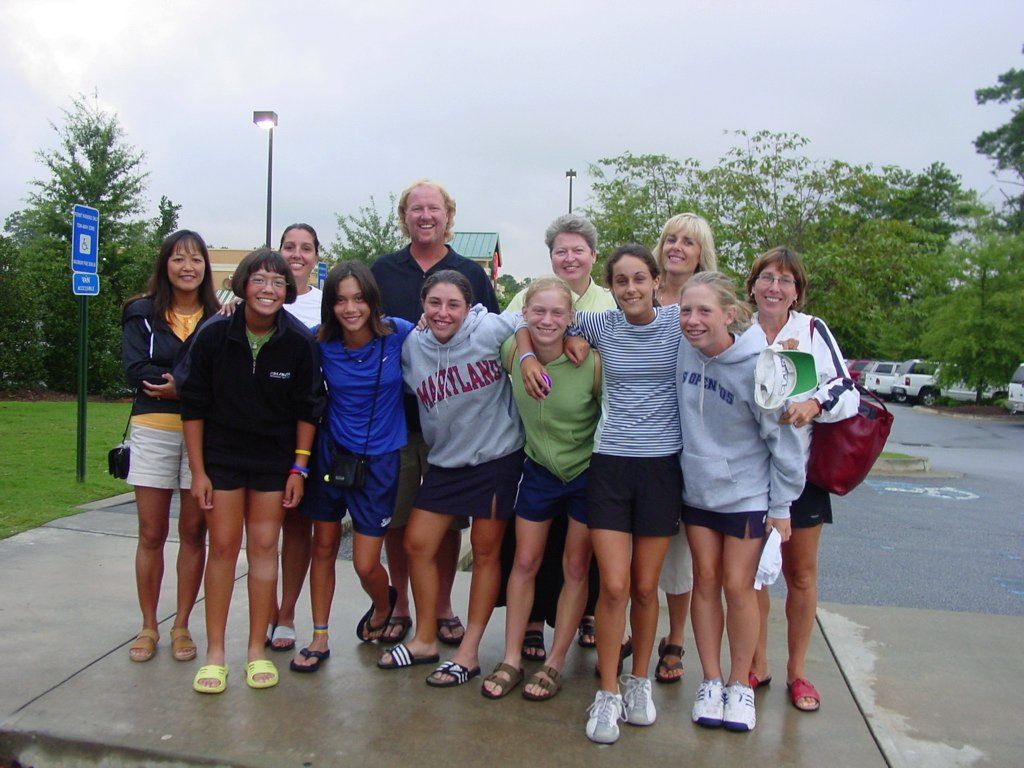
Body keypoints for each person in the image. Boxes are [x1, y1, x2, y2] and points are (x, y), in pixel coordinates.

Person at [520, 245, 683, 745]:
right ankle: (608, 690)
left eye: (639, 278)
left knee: (643, 586)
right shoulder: (601, 326)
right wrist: (527, 354)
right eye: (620, 281)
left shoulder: (680, 322)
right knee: (611, 586)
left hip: (661, 468)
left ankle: (638, 683)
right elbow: (536, 325)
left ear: (656, 281)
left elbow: (725, 331)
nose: (630, 288)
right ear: (609, 288)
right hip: (609, 465)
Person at [181, 249, 324, 694]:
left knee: (264, 549)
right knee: (223, 549)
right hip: (221, 461)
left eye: (278, 283)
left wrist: (299, 469)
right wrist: (198, 472)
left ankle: (256, 651)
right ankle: (216, 653)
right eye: (260, 280)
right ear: (243, 284)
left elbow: (308, 410)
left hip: (273, 463)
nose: (269, 289)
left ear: (289, 290)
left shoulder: (299, 342)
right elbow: (193, 407)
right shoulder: (214, 335)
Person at [377, 270, 522, 688]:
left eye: (453, 304)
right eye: (434, 303)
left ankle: (469, 653)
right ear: (422, 304)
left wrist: (528, 355)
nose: (443, 313)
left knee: (485, 553)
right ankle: (424, 638)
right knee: (417, 543)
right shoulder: (412, 348)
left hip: (495, 457)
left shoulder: (489, 328)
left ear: (469, 307)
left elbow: (535, 319)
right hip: (445, 462)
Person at [370, 180, 499, 647]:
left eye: (435, 209)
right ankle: (402, 603)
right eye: (416, 208)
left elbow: (496, 335)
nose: (426, 216)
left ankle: (442, 605)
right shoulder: (382, 271)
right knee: (400, 516)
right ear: (404, 215)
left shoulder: (470, 272)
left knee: (444, 522)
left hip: (456, 420)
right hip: (397, 416)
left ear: (449, 216)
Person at [676, 271, 804, 733]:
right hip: (698, 490)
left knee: (738, 586)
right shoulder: (681, 349)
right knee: (705, 582)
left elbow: (787, 440)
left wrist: (783, 505)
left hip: (748, 494)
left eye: (704, 311)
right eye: (686, 310)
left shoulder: (761, 364)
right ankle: (710, 681)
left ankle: (739, 684)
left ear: (729, 314)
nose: (692, 320)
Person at [744, 247, 859, 713]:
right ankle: (756, 664)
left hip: (801, 474)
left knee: (800, 574)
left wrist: (814, 405)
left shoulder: (811, 331)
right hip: (749, 473)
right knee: (751, 578)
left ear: (797, 293)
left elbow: (847, 388)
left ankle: (798, 672)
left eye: (786, 281)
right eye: (767, 277)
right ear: (752, 284)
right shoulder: (738, 332)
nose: (775, 287)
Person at [481, 276, 602, 700]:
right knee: (525, 561)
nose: (547, 320)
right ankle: (512, 656)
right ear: (526, 314)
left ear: (571, 319)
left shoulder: (591, 361)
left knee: (575, 567)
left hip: (586, 472)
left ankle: (554, 662)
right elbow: (489, 327)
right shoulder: (512, 351)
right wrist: (527, 351)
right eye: (538, 311)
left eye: (557, 313)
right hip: (538, 469)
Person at [290, 262, 413, 673]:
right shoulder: (317, 341)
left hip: (379, 462)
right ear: (330, 305)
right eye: (341, 300)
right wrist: (232, 306)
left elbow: (450, 326)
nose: (350, 308)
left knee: (364, 563)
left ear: (372, 301)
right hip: (331, 457)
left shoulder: (398, 332)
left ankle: (384, 604)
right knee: (322, 547)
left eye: (359, 298)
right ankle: (320, 636)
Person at [120, 229, 220, 663]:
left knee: (194, 531)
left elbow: (223, 377)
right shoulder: (141, 312)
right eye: (179, 258)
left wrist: (179, 386)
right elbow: (137, 370)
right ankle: (148, 626)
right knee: (152, 532)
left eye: (196, 259)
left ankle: (181, 626)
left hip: (205, 435)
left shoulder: (219, 315)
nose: (187, 267)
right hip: (153, 428)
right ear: (165, 264)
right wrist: (192, 384)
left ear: (205, 268)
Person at [651, 212, 718, 685]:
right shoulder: (637, 290)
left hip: (689, 443)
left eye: (688, 243)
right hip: (636, 439)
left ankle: (674, 639)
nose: (677, 247)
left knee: (678, 554)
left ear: (701, 254)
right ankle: (634, 628)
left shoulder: (708, 301)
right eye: (670, 239)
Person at [268, 223, 323, 653]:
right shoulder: (254, 298)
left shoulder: (325, 306)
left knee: (298, 526)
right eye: (290, 246)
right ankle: (264, 610)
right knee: (265, 528)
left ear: (316, 258)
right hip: (263, 431)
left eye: (306, 248)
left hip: (311, 429)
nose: (297, 254)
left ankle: (286, 614)